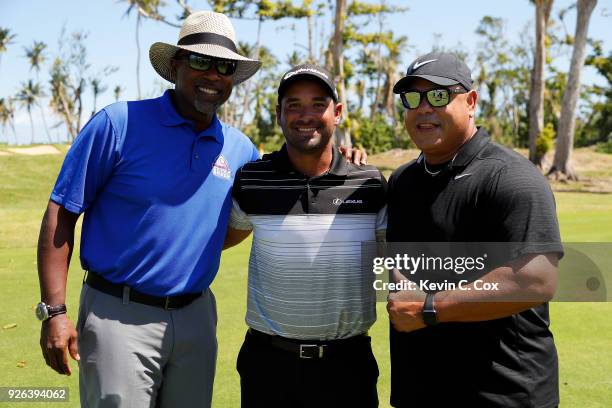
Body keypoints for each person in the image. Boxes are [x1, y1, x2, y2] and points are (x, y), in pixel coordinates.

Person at [36, 11, 262, 408]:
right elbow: (63, 213)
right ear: (175, 65)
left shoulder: (240, 149)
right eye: (199, 61)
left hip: (196, 319)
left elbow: (241, 220)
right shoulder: (118, 124)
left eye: (224, 66)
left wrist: (343, 159)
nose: (212, 74)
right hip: (118, 316)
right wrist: (54, 311)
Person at [385, 51, 564, 407]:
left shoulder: (510, 176)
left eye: (438, 96)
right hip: (419, 391)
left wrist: (429, 309)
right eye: (412, 98)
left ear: (470, 102)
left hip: (503, 394)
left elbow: (535, 281)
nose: (423, 108)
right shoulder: (402, 181)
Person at [227, 64, 387, 407]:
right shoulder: (253, 180)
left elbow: (396, 260)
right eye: (294, 105)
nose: (305, 115)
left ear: (338, 113)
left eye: (318, 104)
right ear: (279, 114)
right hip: (268, 364)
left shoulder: (371, 183)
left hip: (348, 365)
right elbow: (223, 238)